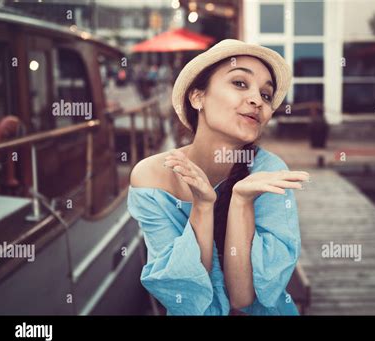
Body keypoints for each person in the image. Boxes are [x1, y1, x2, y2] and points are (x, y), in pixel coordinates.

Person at [127, 39, 310, 315]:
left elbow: (243, 297)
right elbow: (184, 295)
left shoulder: (269, 173)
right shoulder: (152, 177)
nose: (256, 100)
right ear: (197, 96)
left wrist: (240, 201)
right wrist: (202, 206)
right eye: (239, 83)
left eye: (266, 95)